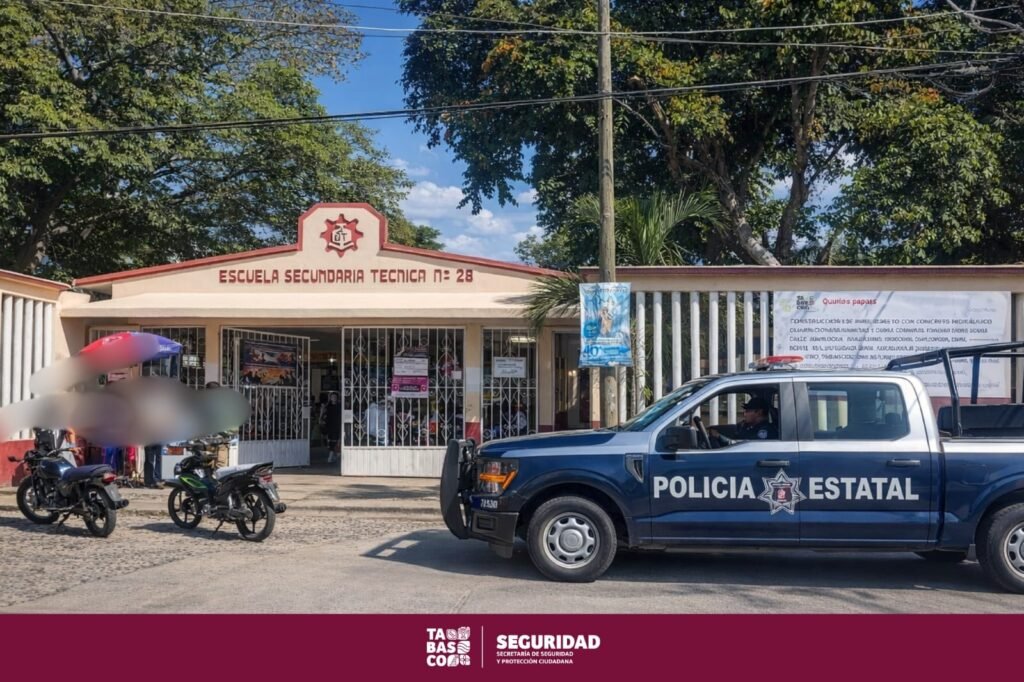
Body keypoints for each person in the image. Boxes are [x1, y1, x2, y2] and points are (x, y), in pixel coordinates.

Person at [709, 396, 778, 446]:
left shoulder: (765, 431)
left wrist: (719, 437)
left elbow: (744, 446)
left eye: (748, 411)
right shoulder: (748, 426)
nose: (745, 414)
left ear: (759, 412)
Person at [321, 392, 342, 463]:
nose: (334, 398)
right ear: (330, 398)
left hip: (337, 425)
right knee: (331, 441)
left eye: (335, 397)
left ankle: (333, 455)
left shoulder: (339, 406)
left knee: (337, 440)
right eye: (332, 397)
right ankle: (333, 455)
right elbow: (323, 415)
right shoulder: (327, 406)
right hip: (329, 426)